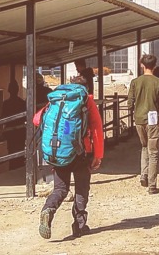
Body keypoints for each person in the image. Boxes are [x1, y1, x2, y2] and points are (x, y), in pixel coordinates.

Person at [35, 75, 104, 240]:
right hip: (81, 154)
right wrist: (98, 155)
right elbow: (97, 129)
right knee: (81, 188)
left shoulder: (58, 99)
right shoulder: (86, 101)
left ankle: (48, 209)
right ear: (86, 88)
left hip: (59, 151)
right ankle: (79, 226)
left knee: (60, 189)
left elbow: (37, 119)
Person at [127, 53, 159, 194]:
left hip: (139, 119)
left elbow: (129, 103)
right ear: (155, 66)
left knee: (144, 146)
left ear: (141, 65)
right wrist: (158, 109)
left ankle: (143, 175)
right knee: (154, 152)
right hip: (153, 120)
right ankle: (152, 185)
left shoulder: (135, 82)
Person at [0, 79, 26, 169]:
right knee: (19, 150)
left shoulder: (6, 103)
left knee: (11, 151)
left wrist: (2, 131)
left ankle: (13, 168)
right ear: (18, 90)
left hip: (11, 131)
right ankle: (18, 168)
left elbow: (3, 118)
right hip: (20, 131)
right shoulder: (22, 103)